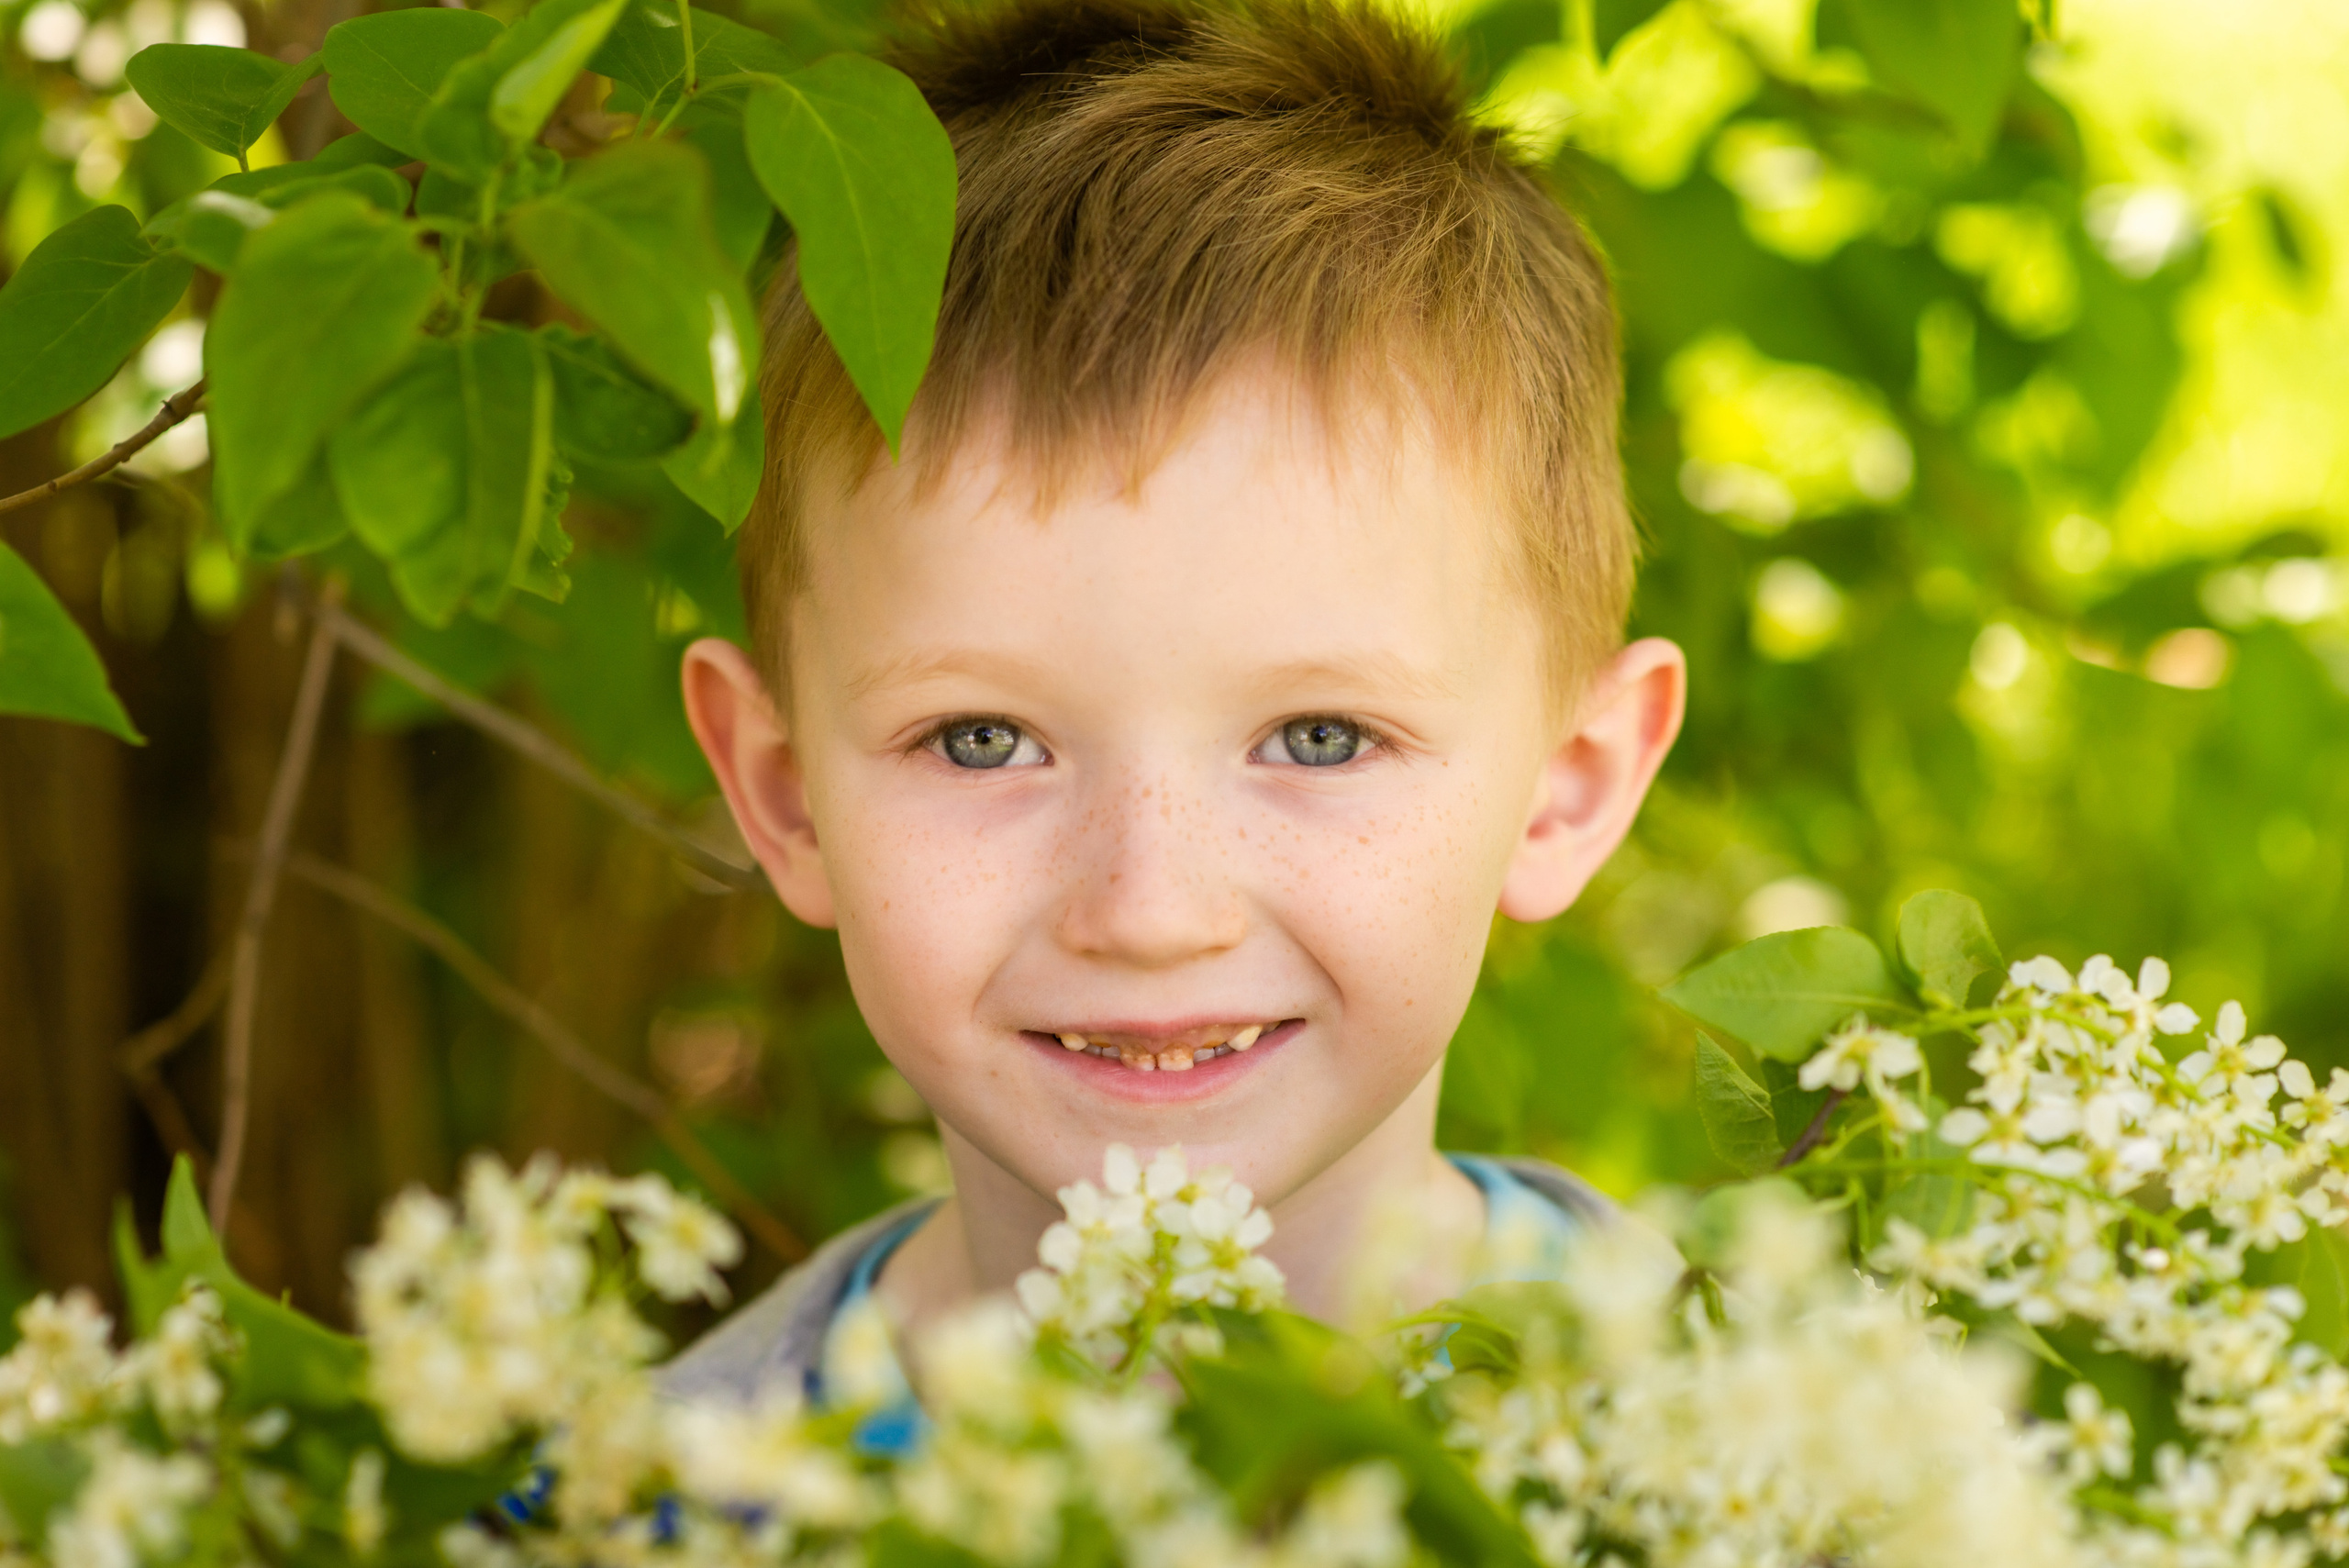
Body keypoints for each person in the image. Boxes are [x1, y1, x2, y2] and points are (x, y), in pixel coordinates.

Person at [667, 0, 1686, 1440]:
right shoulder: (632, 1508)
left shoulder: (1800, 1480)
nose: (1148, 913)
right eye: (981, 739)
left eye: (1321, 737)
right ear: (783, 793)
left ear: (1567, 784)